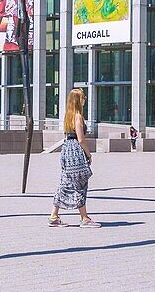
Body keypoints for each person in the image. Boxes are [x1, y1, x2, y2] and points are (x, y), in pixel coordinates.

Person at [50, 88, 99, 228]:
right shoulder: (78, 116)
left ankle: (54, 216)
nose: (84, 100)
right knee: (80, 184)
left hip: (66, 150)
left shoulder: (68, 116)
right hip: (75, 152)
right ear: (78, 100)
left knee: (65, 183)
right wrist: (88, 154)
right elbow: (81, 139)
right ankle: (84, 218)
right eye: (83, 98)